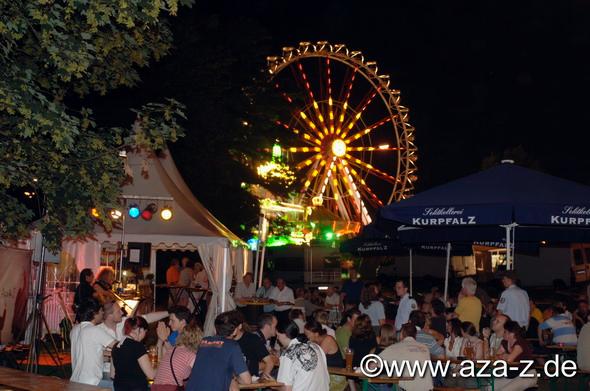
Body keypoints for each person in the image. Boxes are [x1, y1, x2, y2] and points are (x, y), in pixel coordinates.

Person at [185, 310, 251, 391]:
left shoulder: (204, 341)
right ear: (234, 331)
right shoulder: (232, 346)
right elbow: (247, 380)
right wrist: (234, 379)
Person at [70, 300, 116, 386]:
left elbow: (89, 353)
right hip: (91, 381)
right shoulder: (95, 330)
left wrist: (108, 356)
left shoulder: (74, 330)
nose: (103, 313)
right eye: (101, 311)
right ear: (95, 313)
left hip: (76, 379)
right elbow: (118, 346)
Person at [276, 321, 330, 391]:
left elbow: (286, 389)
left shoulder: (288, 353)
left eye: (278, 335)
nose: (277, 338)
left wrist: (273, 385)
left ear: (285, 334)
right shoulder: (315, 346)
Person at [379, 323, 433, 391]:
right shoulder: (425, 348)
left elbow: (372, 365)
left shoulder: (396, 347)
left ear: (401, 334)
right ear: (415, 335)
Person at [152, 324, 202, 391]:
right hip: (169, 388)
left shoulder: (171, 350)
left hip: (155, 387)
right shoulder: (190, 355)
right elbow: (201, 372)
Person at [111, 317, 155, 391]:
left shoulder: (115, 346)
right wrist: (161, 366)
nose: (144, 336)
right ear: (140, 329)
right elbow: (151, 375)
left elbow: (112, 374)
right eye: (145, 332)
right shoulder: (137, 346)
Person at [495, 320, 538, 390]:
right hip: (513, 375)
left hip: (527, 374)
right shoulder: (505, 342)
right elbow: (496, 356)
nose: (503, 334)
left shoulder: (520, 343)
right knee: (489, 387)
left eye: (505, 331)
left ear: (511, 333)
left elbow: (509, 359)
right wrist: (504, 356)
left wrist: (503, 356)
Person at [304, 320, 346, 391]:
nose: (306, 336)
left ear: (316, 334)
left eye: (307, 333)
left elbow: (316, 360)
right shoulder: (315, 342)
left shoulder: (328, 339)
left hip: (336, 377)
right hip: (326, 375)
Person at [235, 313, 277, 379]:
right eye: (275, 326)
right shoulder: (253, 339)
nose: (277, 329)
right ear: (267, 326)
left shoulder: (259, 338)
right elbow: (250, 364)